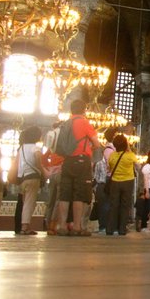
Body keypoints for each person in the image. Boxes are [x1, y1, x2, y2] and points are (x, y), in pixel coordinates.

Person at [57, 99, 102, 236]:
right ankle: (77, 226)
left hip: (67, 161)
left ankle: (62, 226)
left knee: (64, 194)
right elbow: (96, 143)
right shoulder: (84, 122)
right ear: (84, 110)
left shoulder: (66, 123)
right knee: (79, 194)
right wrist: (89, 147)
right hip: (81, 160)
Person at [106, 134, 137, 236]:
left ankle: (110, 229)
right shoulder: (130, 155)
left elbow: (109, 168)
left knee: (113, 205)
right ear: (126, 144)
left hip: (115, 182)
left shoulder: (112, 155)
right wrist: (128, 149)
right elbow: (137, 165)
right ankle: (122, 229)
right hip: (128, 182)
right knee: (125, 206)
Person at [16, 126, 43, 235]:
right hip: (33, 177)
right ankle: (25, 227)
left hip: (22, 178)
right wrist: (42, 172)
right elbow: (38, 161)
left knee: (25, 202)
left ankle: (25, 226)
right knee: (29, 202)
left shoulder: (22, 148)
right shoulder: (35, 148)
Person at [138, 149, 150, 232]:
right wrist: (147, 191)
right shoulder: (147, 167)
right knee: (147, 208)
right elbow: (145, 179)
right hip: (149, 188)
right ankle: (143, 226)